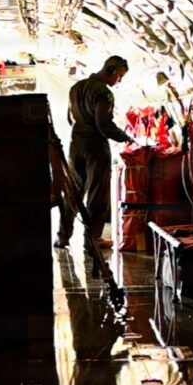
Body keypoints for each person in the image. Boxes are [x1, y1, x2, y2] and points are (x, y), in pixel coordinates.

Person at [55, 55, 133, 263]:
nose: (119, 81)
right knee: (97, 194)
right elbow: (104, 125)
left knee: (73, 192)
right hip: (95, 146)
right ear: (110, 70)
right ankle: (92, 240)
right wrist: (126, 137)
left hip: (76, 144)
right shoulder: (103, 93)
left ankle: (62, 236)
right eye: (119, 76)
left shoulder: (76, 88)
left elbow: (70, 118)